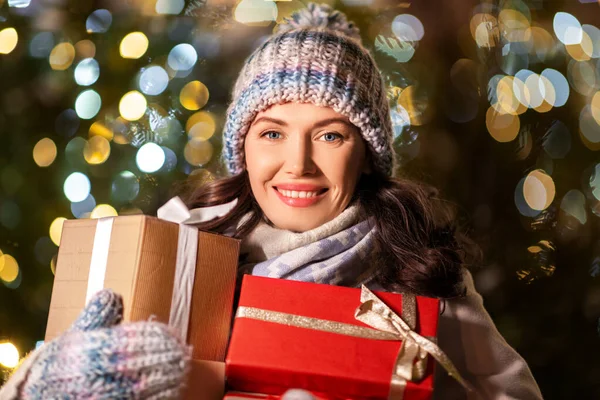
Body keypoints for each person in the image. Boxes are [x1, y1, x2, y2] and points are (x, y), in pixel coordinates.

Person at [0, 3, 543, 399]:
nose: (298, 164)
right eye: (272, 133)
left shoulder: (418, 269)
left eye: (331, 135)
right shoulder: (179, 245)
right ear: (243, 146)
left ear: (368, 155)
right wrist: (41, 387)